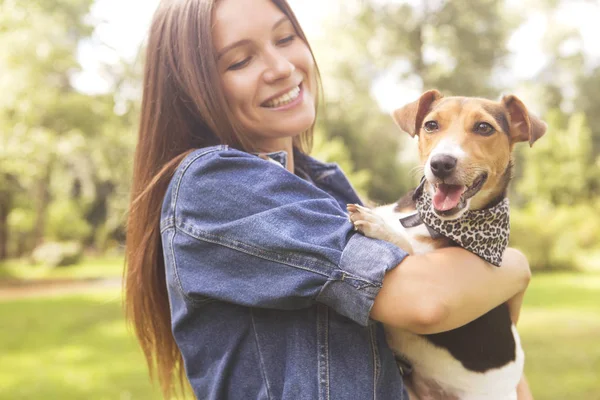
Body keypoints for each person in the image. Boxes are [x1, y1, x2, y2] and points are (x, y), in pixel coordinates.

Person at [124, 0, 533, 399]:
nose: (282, 68)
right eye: (240, 61)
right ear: (192, 87)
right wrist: (514, 266)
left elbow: (487, 342)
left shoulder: (325, 187)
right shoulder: (215, 185)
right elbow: (426, 301)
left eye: (285, 39)